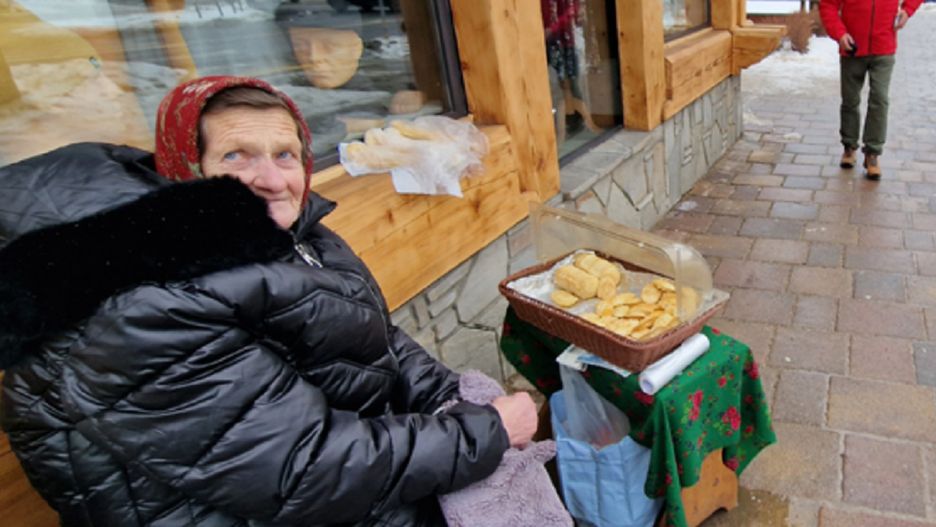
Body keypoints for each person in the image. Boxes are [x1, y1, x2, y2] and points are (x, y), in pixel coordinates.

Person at [0, 75, 538, 526]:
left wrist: (447, 393)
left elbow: (370, 337)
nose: (272, 180)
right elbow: (300, 471)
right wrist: (485, 434)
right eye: (236, 155)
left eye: (285, 155)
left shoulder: (284, 232)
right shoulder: (146, 306)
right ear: (185, 167)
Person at [819, 0, 922, 180]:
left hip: (883, 47)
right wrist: (840, 34)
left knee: (880, 99)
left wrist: (908, 10)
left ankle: (872, 153)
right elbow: (827, 5)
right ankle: (849, 146)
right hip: (852, 47)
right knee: (850, 100)